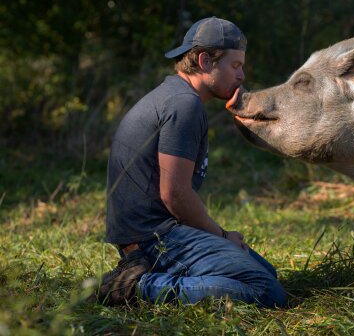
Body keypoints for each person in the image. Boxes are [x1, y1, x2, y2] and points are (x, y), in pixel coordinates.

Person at [93, 16, 287, 308]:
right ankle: (137, 286)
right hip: (154, 238)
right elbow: (175, 195)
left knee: (266, 273)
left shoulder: (174, 96)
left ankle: (147, 271)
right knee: (266, 291)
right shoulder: (184, 105)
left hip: (151, 233)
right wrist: (222, 236)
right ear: (205, 60)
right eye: (235, 65)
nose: (242, 75)